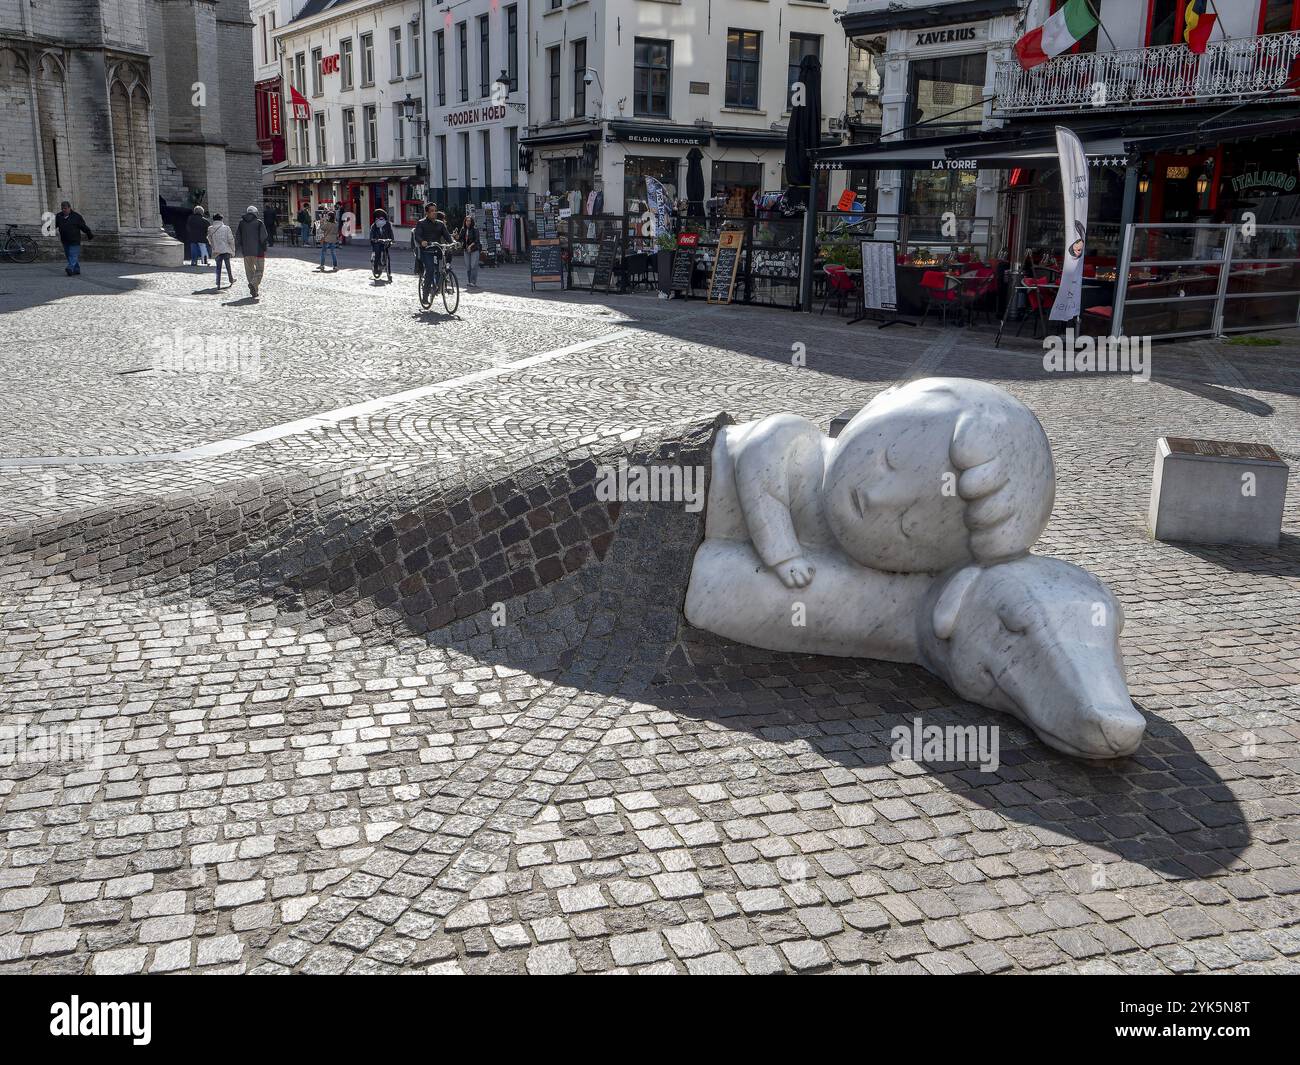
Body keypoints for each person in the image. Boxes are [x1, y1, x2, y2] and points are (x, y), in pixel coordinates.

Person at [413, 202, 454, 288]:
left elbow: (447, 235)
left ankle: (442, 283)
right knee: (430, 270)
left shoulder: (440, 224)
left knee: (443, 265)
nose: (434, 212)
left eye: (435, 210)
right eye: (432, 211)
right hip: (426, 251)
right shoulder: (421, 223)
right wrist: (422, 242)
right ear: (427, 213)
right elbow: (417, 235)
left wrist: (453, 242)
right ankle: (425, 296)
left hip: (438, 249)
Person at [234, 204, 269, 298]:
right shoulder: (259, 222)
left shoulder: (241, 223)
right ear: (255, 213)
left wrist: (238, 248)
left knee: (249, 271)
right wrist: (264, 248)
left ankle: (254, 290)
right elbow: (264, 236)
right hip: (258, 251)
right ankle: (253, 284)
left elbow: (238, 237)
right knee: (259, 270)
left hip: (246, 252)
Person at [54, 200, 93, 276]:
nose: (63, 210)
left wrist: (89, 234)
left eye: (65, 208)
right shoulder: (59, 216)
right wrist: (48, 229)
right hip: (65, 240)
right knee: (69, 255)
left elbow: (83, 227)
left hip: (74, 240)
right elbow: (54, 225)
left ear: (69, 208)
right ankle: (76, 269)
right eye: (62, 208)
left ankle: (70, 268)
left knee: (73, 255)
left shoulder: (76, 216)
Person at [207, 213, 235, 288]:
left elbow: (210, 239)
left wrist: (213, 247)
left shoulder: (210, 228)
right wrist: (233, 250)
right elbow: (231, 240)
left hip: (217, 251)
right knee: (228, 266)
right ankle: (231, 279)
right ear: (221, 219)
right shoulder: (226, 228)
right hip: (226, 250)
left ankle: (218, 283)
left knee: (218, 268)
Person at [369, 209, 395, 274]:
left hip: (385, 241)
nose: (380, 220)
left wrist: (392, 239)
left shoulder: (387, 224)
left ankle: (386, 265)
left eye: (382, 218)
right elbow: (371, 235)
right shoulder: (374, 226)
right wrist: (373, 239)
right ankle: (375, 269)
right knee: (377, 253)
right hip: (376, 242)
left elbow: (390, 232)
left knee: (386, 251)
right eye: (379, 218)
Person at [459, 214, 482, 287]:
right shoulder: (463, 229)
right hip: (466, 250)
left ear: (472, 222)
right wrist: (456, 236)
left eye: (469, 221)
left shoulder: (475, 229)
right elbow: (460, 238)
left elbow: (476, 240)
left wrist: (470, 246)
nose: (468, 222)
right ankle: (469, 281)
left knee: (473, 266)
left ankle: (473, 282)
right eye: (466, 221)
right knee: (468, 266)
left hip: (474, 249)